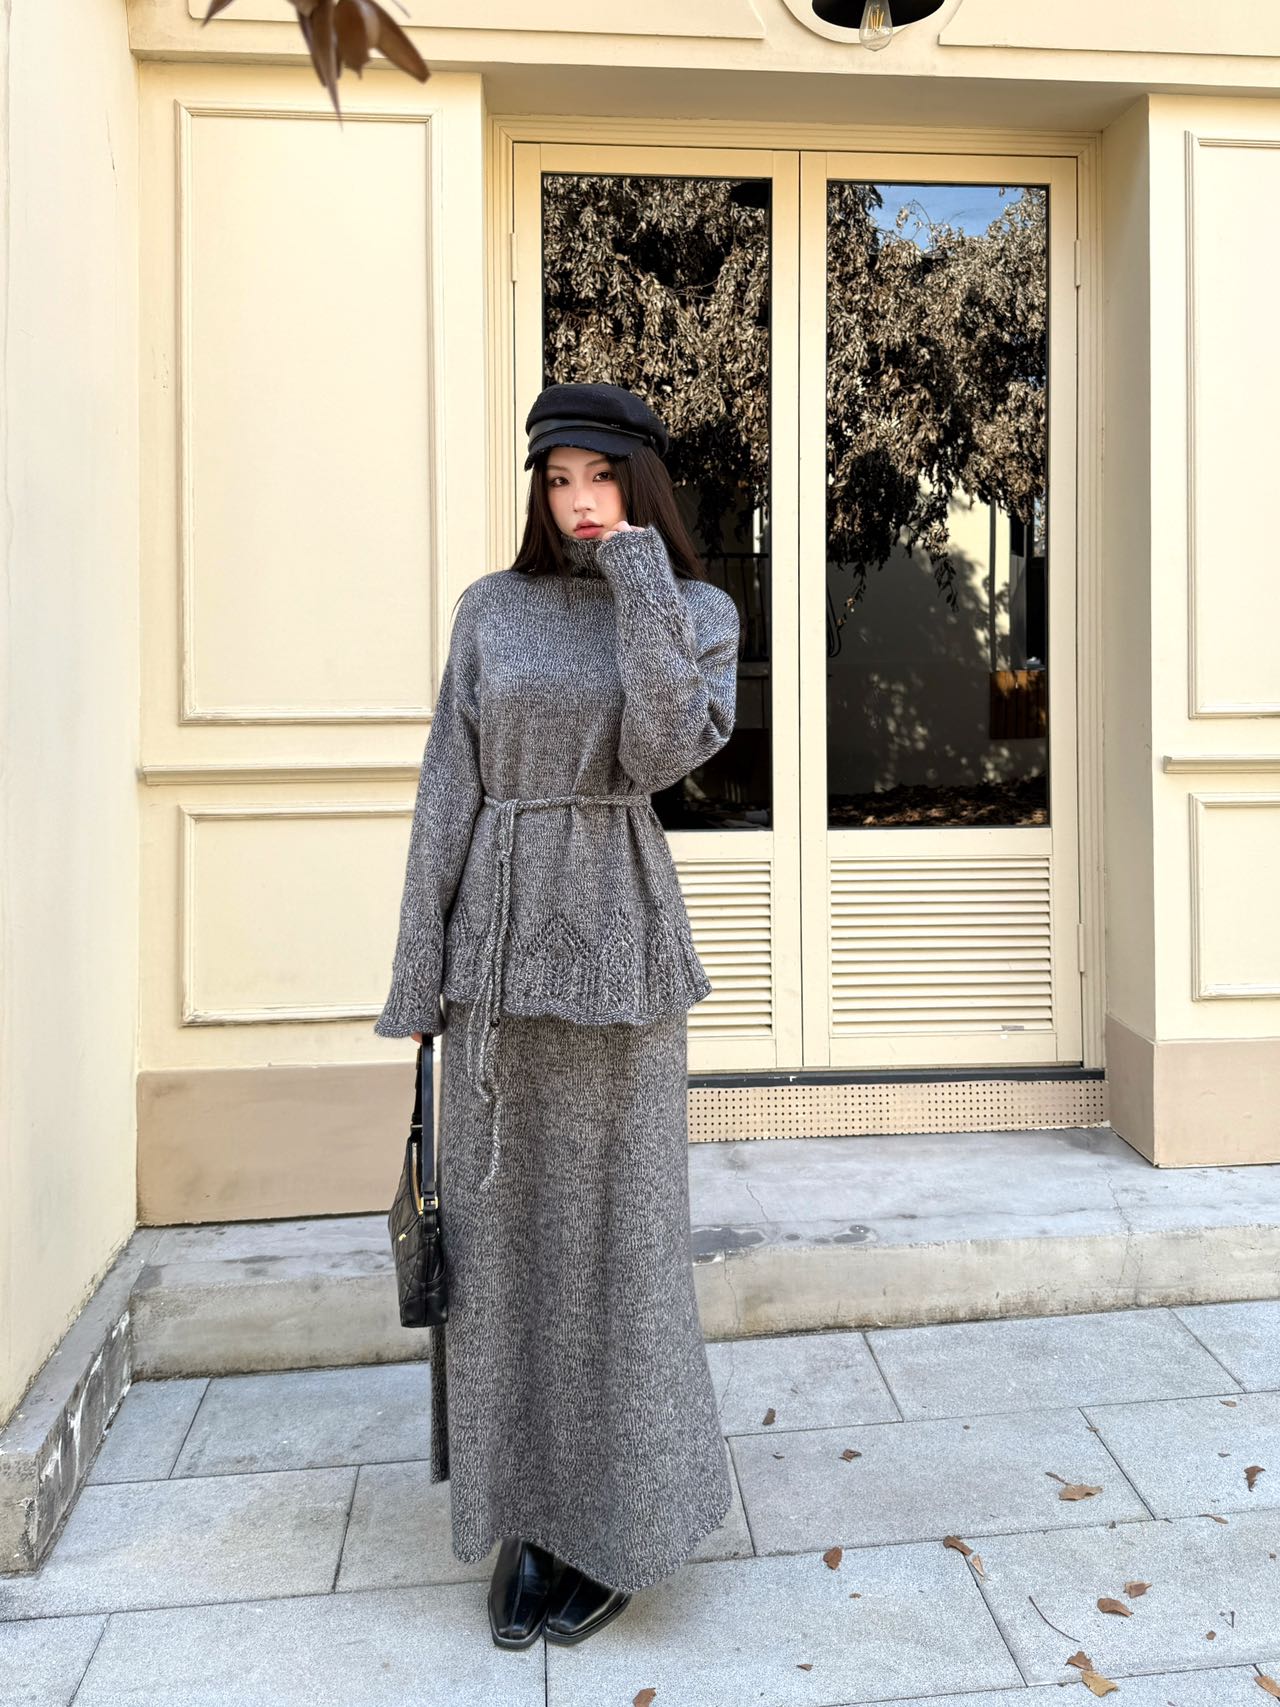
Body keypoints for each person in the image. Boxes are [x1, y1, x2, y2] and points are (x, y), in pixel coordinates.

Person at [372, 381, 742, 1649]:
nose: (577, 501)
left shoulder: (694, 612)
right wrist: (418, 975)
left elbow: (661, 752)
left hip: (620, 960)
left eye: (600, 476)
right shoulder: (491, 609)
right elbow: (447, 789)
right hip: (493, 963)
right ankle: (525, 1519)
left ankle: (616, 1525)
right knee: (503, 1257)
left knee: (619, 1255)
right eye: (557, 478)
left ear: (641, 482)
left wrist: (635, 573)